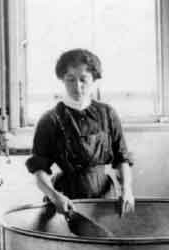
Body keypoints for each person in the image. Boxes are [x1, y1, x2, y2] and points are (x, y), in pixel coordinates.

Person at [26, 48, 135, 217]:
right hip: (66, 199)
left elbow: (122, 159)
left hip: (105, 197)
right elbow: (39, 172)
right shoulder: (50, 120)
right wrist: (55, 197)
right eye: (70, 80)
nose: (77, 86)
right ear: (62, 79)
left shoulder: (107, 114)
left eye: (83, 79)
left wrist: (127, 190)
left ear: (94, 79)